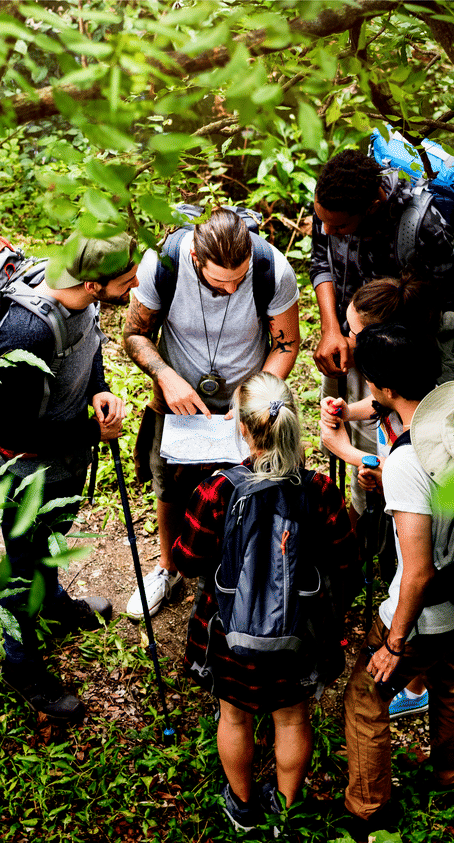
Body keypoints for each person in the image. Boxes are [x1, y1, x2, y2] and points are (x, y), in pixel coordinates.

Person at [171, 373, 359, 832]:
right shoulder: (319, 491)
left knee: (234, 716)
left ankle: (242, 806)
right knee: (292, 718)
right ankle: (286, 811)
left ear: (242, 428)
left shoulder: (217, 490)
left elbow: (187, 561)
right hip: (299, 636)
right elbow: (347, 564)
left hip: (229, 632)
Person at [0, 231, 139, 722]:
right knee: (20, 565)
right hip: (25, 472)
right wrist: (93, 429)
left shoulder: (84, 303)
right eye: (127, 279)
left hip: (65, 458)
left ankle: (52, 601)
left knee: (51, 537)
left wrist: (100, 391)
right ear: (94, 284)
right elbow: (13, 428)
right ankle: (21, 664)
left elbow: (88, 351)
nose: (136, 284)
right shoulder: (26, 331)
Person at [122, 208, 300, 618]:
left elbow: (286, 344)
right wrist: (166, 377)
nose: (233, 287)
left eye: (240, 277)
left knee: (254, 481)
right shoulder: (162, 264)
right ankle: (168, 568)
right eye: (221, 281)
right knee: (169, 481)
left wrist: (251, 393)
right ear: (194, 260)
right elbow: (134, 332)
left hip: (248, 398)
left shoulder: (273, 268)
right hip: (177, 395)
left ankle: (246, 568)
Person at [344, 322, 454, 838]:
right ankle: (448, 776)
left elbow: (417, 571)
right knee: (451, 679)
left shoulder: (406, 459)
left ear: (384, 389)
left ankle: (368, 808)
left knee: (367, 696)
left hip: (425, 611)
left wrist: (395, 644)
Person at [311, 149, 454, 522]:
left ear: (373, 204)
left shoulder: (418, 223)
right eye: (322, 222)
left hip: (398, 362)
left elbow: (449, 301)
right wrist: (334, 329)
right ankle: (365, 522)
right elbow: (321, 261)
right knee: (356, 436)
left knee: (395, 447)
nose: (327, 231)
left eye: (339, 227)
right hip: (346, 341)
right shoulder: (331, 206)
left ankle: (399, 526)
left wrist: (373, 342)